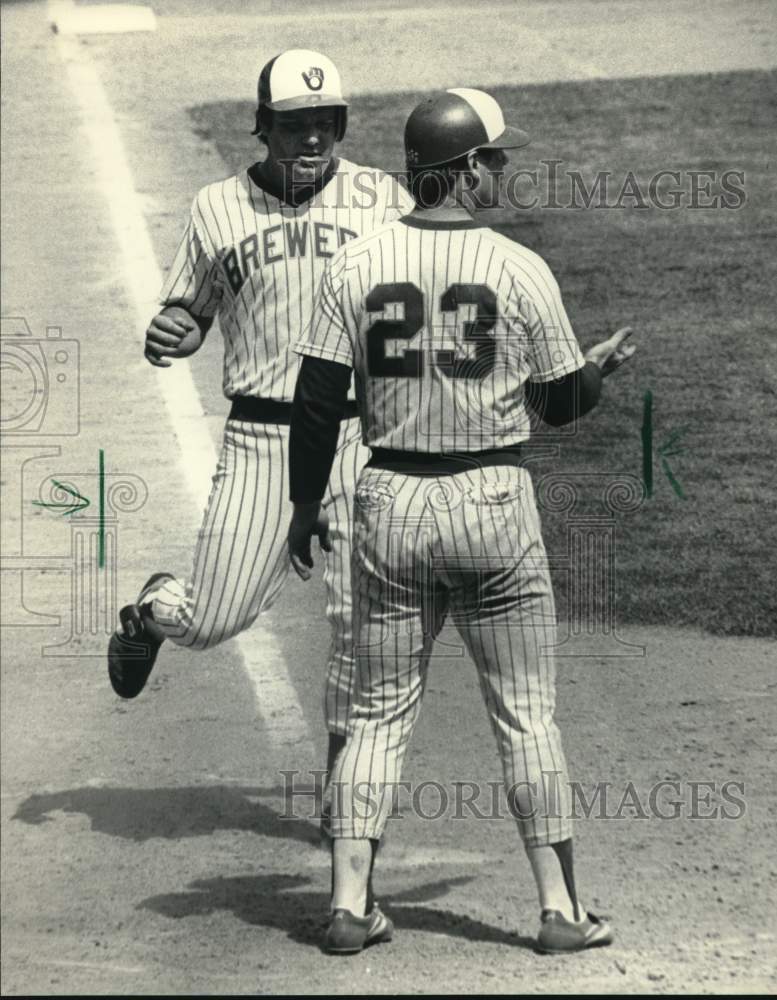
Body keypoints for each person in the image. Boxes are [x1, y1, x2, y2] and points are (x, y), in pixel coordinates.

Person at [287, 87, 636, 955]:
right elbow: (557, 404)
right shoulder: (519, 267)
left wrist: (301, 506)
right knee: (526, 715)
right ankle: (559, 911)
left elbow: (316, 402)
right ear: (464, 167)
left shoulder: (354, 265)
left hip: (390, 503)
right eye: (494, 158)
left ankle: (346, 904)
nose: (502, 169)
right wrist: (593, 373)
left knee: (373, 714)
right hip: (491, 506)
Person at [107, 49, 414, 784]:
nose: (311, 140)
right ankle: (153, 610)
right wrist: (176, 329)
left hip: (358, 441)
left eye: (323, 124)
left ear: (339, 124)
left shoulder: (385, 200)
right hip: (261, 440)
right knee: (210, 621)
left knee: (362, 629)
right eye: (292, 126)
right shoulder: (218, 207)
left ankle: (344, 800)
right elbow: (190, 309)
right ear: (263, 128)